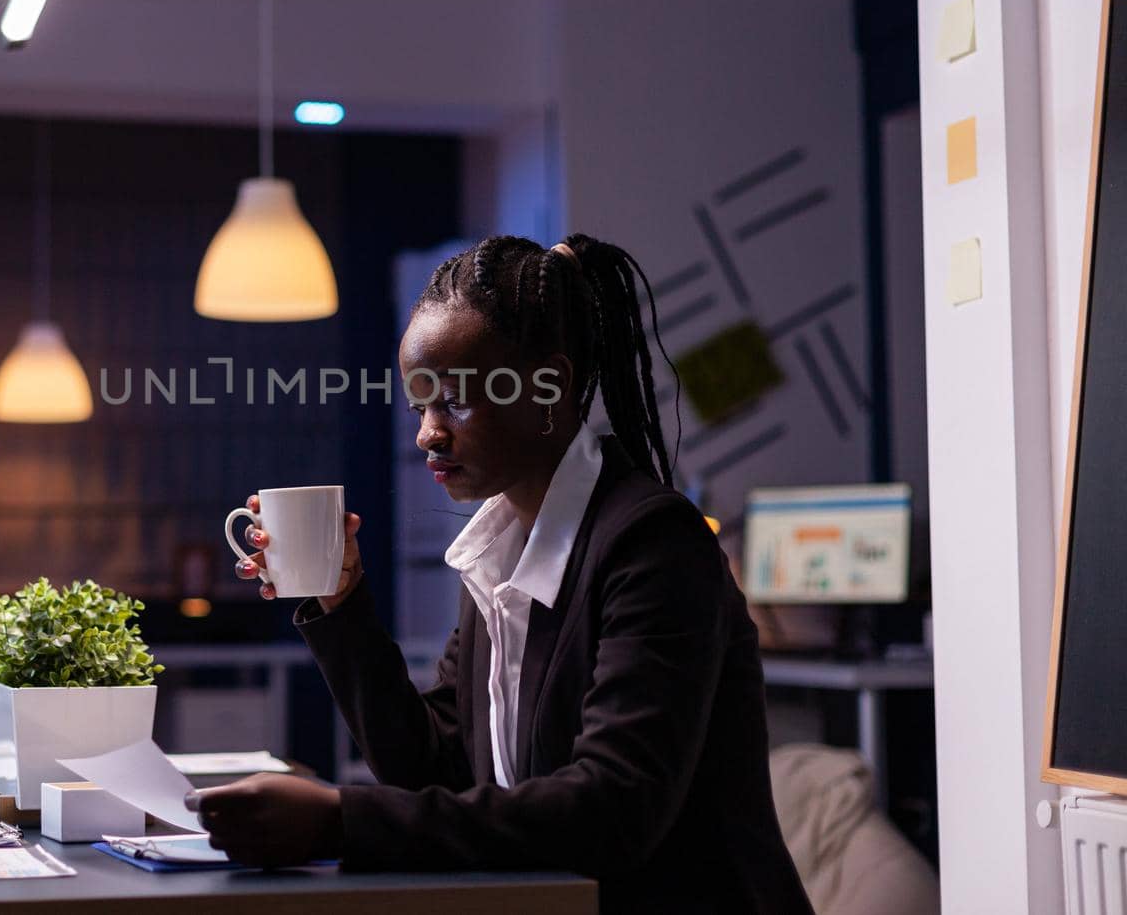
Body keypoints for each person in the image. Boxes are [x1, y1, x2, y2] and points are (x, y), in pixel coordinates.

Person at [192, 234, 812, 914]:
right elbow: (431, 766)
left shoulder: (653, 544)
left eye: (454, 401)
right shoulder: (497, 551)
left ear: (551, 386)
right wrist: (340, 603)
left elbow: (614, 807)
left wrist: (341, 820)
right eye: (420, 404)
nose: (428, 432)